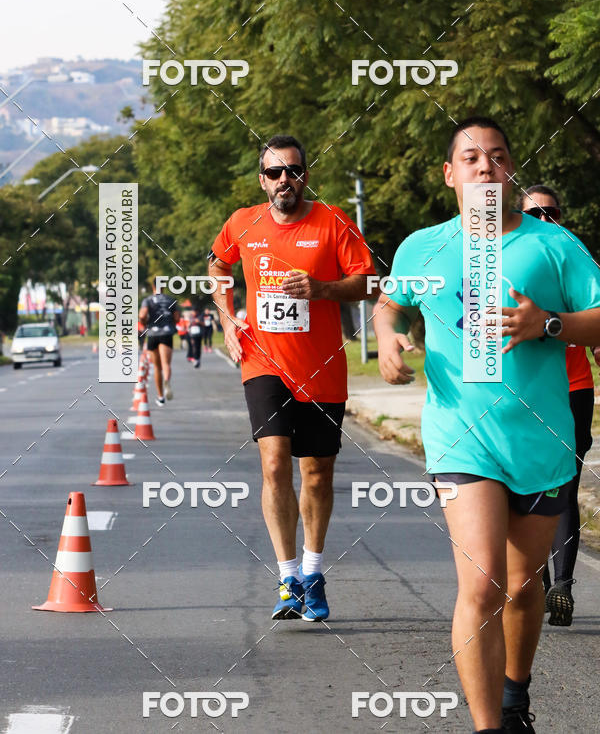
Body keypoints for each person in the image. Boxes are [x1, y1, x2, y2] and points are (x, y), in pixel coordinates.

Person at [373, 117, 600, 734]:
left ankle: (515, 699)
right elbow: (391, 300)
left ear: (510, 171)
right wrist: (387, 337)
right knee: (482, 585)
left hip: (542, 442)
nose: (484, 167)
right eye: (470, 158)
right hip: (459, 437)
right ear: (450, 174)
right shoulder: (423, 247)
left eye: (497, 157)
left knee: (524, 588)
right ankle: (486, 728)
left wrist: (547, 323)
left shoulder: (554, 246)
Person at [208, 134, 374, 622]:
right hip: (263, 362)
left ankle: (313, 571)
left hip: (320, 368)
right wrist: (227, 317)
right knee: (276, 463)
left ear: (305, 175)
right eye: (276, 172)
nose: (286, 180)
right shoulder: (244, 222)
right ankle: (286, 577)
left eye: (294, 171)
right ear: (263, 180)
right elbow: (218, 265)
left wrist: (322, 288)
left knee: (317, 472)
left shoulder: (333, 221)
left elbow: (368, 281)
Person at [518, 184, 600, 626]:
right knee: (529, 488)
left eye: (552, 212)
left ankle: (562, 586)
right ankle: (542, 581)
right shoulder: (509, 263)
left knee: (564, 484)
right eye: (535, 213)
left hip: (573, 388)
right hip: (524, 393)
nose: (545, 220)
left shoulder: (576, 262)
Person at [139, 279, 180, 407]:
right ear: (164, 287)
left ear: (153, 286)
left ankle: (160, 396)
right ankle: (167, 381)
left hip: (153, 334)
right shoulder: (170, 300)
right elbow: (177, 318)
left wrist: (144, 322)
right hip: (167, 333)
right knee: (166, 364)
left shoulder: (148, 300)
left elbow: (142, 314)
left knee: (157, 367)